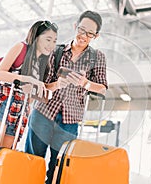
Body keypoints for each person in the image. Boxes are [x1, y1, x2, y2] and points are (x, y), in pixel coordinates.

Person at [24, 10, 108, 184]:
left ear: (96, 36)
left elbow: (102, 89)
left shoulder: (97, 57)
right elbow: (41, 85)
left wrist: (85, 83)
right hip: (43, 113)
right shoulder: (56, 51)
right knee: (32, 161)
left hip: (69, 120)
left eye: (90, 33)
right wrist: (56, 84)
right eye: (82, 29)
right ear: (75, 26)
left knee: (59, 168)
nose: (84, 36)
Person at [0, 20, 58, 162]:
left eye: (54, 41)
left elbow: (32, 92)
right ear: (36, 37)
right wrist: (29, 79)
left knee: (3, 158)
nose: (51, 45)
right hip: (2, 102)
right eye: (48, 39)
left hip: (20, 110)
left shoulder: (42, 63)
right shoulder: (21, 48)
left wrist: (54, 86)